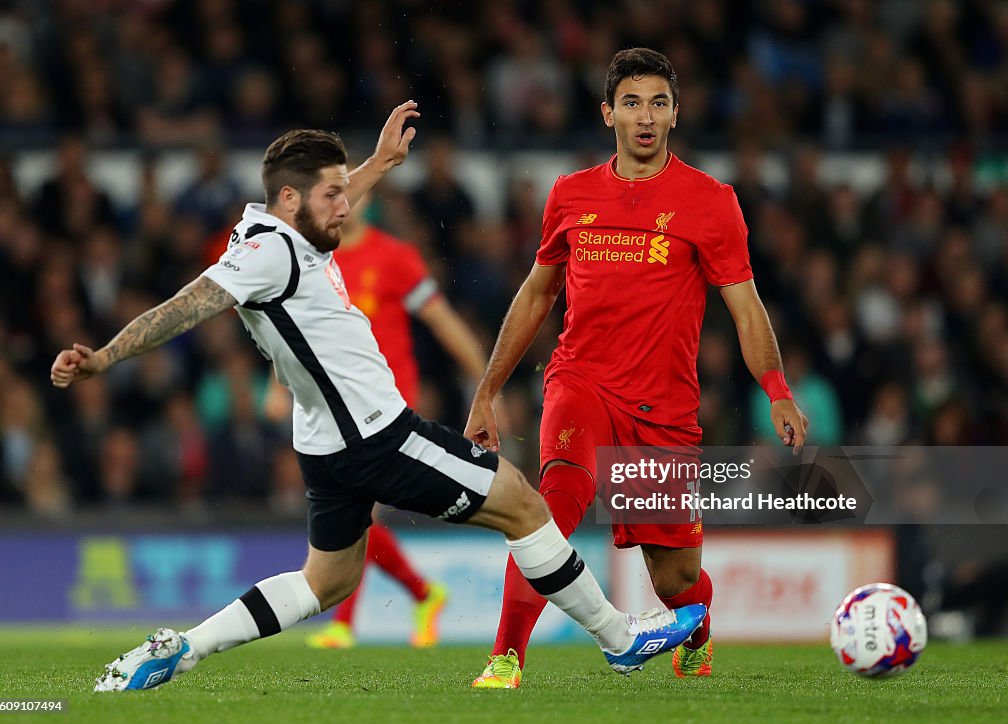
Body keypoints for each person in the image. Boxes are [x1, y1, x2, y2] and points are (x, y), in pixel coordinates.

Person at [49, 101, 707, 693]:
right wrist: (106, 355)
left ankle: (182, 646)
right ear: (288, 197)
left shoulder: (283, 230)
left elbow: (325, 208)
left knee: (326, 580)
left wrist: (379, 163)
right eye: (333, 194)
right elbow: (190, 304)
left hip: (325, 445)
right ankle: (620, 639)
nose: (346, 205)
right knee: (525, 505)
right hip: (377, 436)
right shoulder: (265, 254)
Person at [463, 49, 808, 689]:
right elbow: (537, 293)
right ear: (607, 114)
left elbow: (745, 306)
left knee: (674, 579)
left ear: (676, 113)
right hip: (579, 382)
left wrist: (777, 391)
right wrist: (487, 391)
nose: (644, 116)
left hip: (663, 409)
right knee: (549, 505)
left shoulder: (711, 202)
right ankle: (506, 657)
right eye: (631, 102)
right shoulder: (571, 195)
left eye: (657, 102)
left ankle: (695, 638)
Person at [300, 191, 488, 649]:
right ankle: (424, 594)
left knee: (362, 508)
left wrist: (487, 381)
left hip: (388, 399)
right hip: (334, 404)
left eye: (350, 190)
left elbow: (442, 319)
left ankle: (345, 624)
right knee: (360, 512)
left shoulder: (394, 257)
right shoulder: (312, 260)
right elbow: (304, 328)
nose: (344, 201)